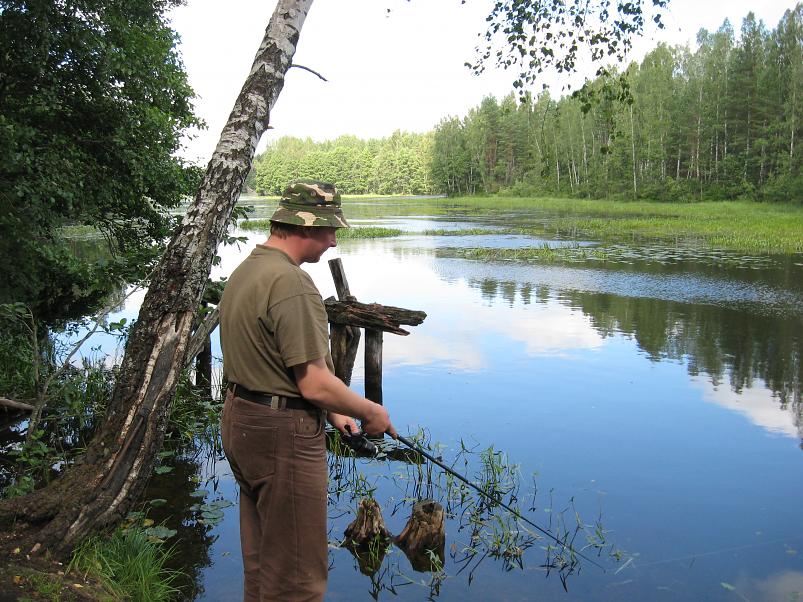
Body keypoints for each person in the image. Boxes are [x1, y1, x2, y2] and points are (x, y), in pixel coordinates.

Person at [218, 180, 396, 602]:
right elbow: (314, 381)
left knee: (263, 563)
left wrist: (335, 413)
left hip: (242, 421)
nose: (334, 241)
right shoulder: (292, 284)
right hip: (281, 436)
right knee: (297, 579)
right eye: (330, 229)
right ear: (305, 224)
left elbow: (271, 362)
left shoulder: (248, 271)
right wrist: (371, 411)